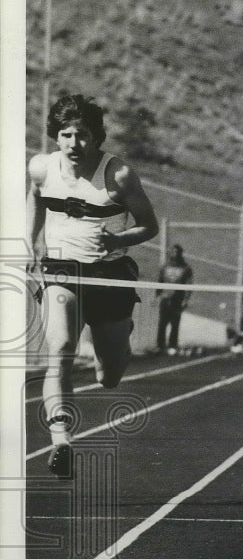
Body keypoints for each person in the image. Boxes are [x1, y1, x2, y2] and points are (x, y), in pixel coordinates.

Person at [26, 94, 159, 478]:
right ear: (56, 136)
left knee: (109, 376)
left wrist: (118, 241)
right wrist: (32, 240)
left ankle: (121, 332)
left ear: (96, 137)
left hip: (109, 274)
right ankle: (61, 440)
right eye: (65, 135)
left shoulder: (118, 175)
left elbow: (148, 225)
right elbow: (34, 199)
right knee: (61, 347)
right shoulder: (41, 168)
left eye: (81, 135)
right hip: (61, 269)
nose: (72, 143)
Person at [155, 244, 193, 356]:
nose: (175, 254)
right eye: (173, 252)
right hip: (165, 299)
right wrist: (157, 295)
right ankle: (160, 345)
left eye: (177, 252)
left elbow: (189, 285)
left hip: (177, 299)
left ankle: (172, 345)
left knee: (175, 323)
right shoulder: (165, 266)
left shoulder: (186, 268)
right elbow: (159, 281)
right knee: (162, 323)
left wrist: (185, 300)